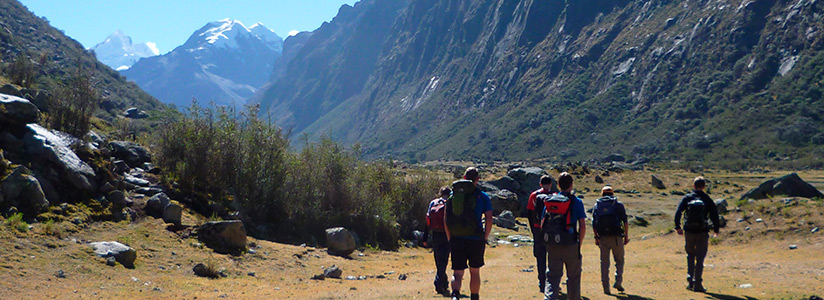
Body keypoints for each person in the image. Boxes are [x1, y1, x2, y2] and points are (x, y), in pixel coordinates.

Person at [445, 167, 493, 300]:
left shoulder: (453, 196)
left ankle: (455, 295)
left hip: (457, 238)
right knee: (475, 271)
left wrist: (450, 237)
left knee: (458, 272)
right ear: (477, 179)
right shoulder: (482, 196)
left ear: (464, 177)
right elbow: (489, 219)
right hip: (476, 238)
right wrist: (484, 237)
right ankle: (474, 297)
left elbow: (446, 218)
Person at [544, 172, 587, 300]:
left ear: (558, 185)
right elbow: (582, 226)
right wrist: (579, 243)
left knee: (552, 276)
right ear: (572, 185)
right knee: (573, 277)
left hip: (553, 244)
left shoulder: (550, 200)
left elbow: (543, 222)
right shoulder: (576, 202)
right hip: (571, 243)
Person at [674, 176, 720, 292]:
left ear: (694, 186)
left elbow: (678, 212)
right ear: (704, 187)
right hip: (702, 232)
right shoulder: (707, 199)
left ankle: (690, 280)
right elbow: (714, 215)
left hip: (689, 231)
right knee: (700, 258)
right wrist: (716, 229)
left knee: (690, 255)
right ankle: (698, 283)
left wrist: (678, 227)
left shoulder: (687, 197)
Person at [591, 186, 629, 295]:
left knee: (604, 263)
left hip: (603, 237)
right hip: (617, 237)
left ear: (602, 194)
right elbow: (625, 221)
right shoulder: (618, 205)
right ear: (612, 193)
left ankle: (606, 288)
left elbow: (594, 223)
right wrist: (626, 236)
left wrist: (596, 237)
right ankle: (618, 281)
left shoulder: (597, 205)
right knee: (619, 260)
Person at [526, 175, 558, 293]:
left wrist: (534, 229)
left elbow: (529, 212)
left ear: (540, 184)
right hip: (551, 229)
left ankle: (542, 281)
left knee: (540, 256)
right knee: (552, 255)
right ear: (550, 184)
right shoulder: (554, 196)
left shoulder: (534, 196)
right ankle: (552, 281)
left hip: (537, 228)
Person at [423, 186, 452, 296]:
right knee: (444, 260)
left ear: (440, 193)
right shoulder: (450, 202)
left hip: (435, 234)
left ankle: (443, 284)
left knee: (438, 259)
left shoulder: (433, 202)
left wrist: (425, 238)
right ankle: (439, 283)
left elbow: (427, 219)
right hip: (447, 233)